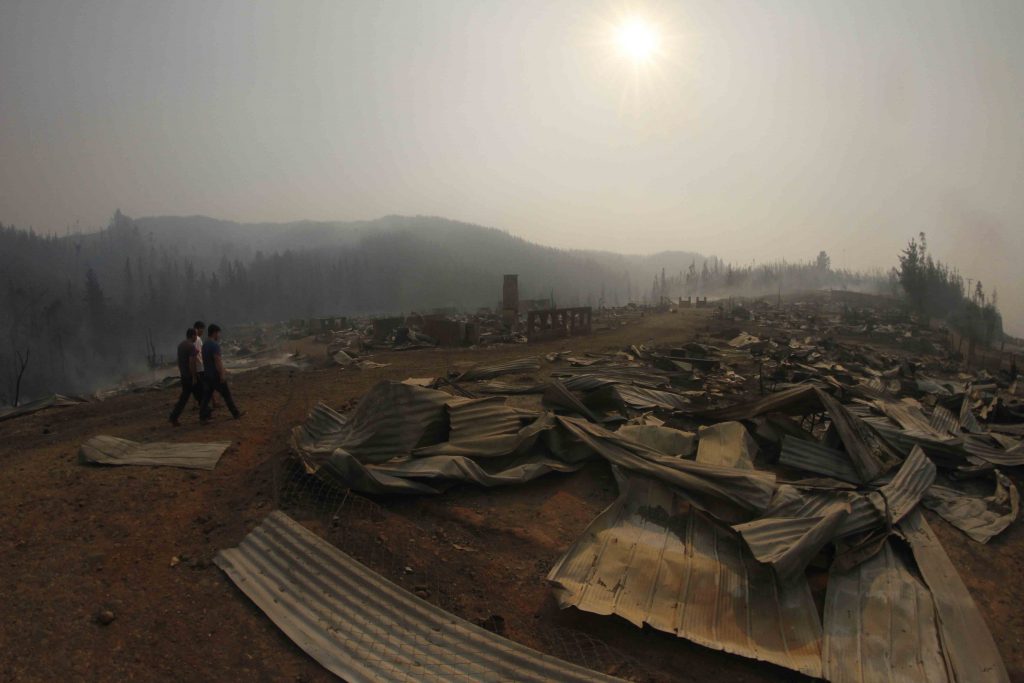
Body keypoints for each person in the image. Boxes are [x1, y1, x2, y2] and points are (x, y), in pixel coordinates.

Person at [200, 323, 243, 422]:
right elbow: (217, 360)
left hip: (207, 375)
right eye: (218, 333)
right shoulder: (214, 345)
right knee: (227, 395)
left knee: (206, 398)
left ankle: (202, 417)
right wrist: (222, 374)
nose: (219, 336)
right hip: (215, 375)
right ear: (214, 333)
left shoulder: (205, 345)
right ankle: (236, 413)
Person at [169, 328, 201, 426]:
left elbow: (179, 361)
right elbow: (192, 363)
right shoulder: (191, 346)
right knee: (201, 395)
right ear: (192, 336)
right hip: (190, 376)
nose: (196, 337)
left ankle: (174, 417)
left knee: (185, 398)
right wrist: (194, 376)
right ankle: (205, 414)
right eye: (196, 335)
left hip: (184, 376)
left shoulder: (181, 345)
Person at [193, 321, 216, 411]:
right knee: (207, 385)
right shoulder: (198, 339)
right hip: (200, 367)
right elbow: (196, 353)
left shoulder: (194, 339)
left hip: (198, 367)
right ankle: (208, 404)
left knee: (200, 386)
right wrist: (202, 363)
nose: (203, 331)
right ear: (198, 329)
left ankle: (210, 403)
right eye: (202, 329)